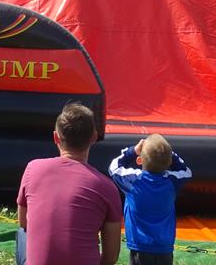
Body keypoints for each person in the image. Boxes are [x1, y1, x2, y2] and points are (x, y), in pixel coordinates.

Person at [16, 102, 121, 265]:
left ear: (56, 137)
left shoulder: (33, 168)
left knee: (22, 233)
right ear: (94, 137)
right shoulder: (107, 187)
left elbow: (23, 222)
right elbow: (111, 257)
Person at [108, 134, 192, 265]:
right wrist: (167, 154)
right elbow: (186, 171)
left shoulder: (133, 180)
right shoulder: (172, 181)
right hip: (164, 248)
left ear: (140, 160)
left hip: (140, 247)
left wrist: (133, 151)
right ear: (169, 161)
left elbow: (113, 168)